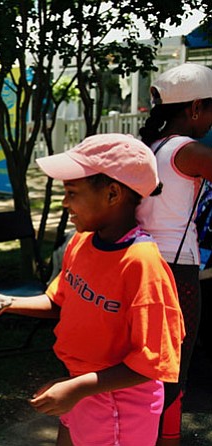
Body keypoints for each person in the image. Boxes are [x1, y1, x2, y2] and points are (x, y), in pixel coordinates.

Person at [0, 133, 185, 446]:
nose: (64, 202)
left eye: (72, 192)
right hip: (81, 386)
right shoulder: (81, 243)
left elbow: (152, 363)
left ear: (113, 194)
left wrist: (77, 389)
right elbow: (58, 302)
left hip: (119, 407)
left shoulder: (142, 264)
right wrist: (6, 302)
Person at [136, 62, 212, 446]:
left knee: (147, 364)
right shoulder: (191, 150)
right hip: (177, 272)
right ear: (195, 107)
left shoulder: (150, 147)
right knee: (173, 368)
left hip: (141, 265)